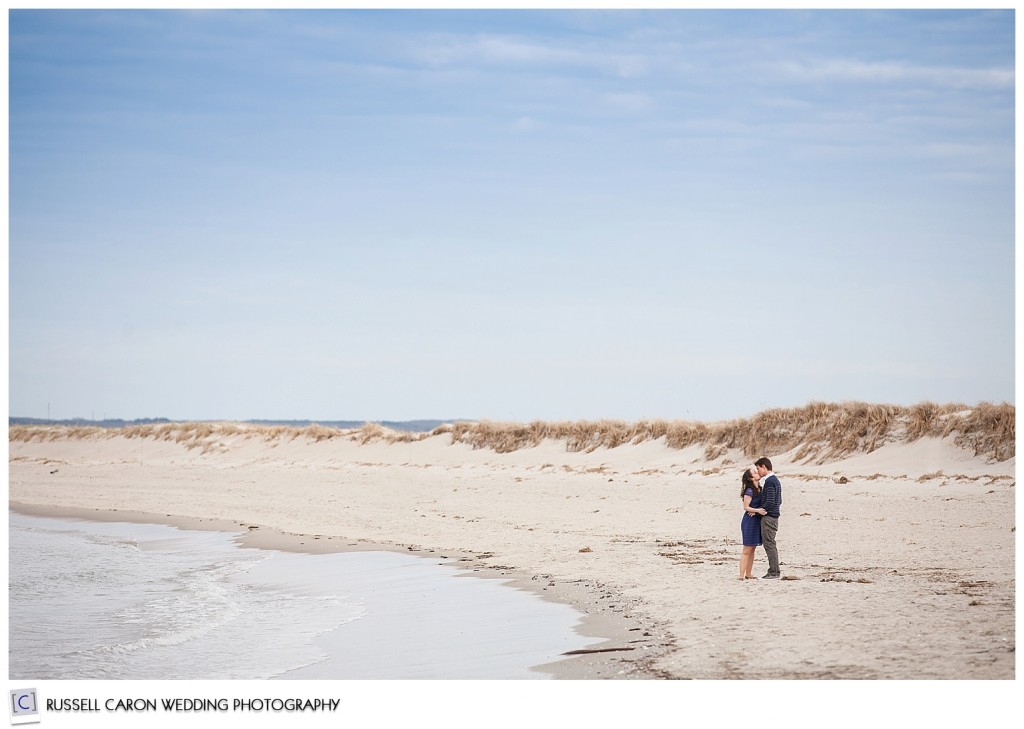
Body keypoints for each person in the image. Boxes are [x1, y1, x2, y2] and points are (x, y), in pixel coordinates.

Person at [755, 457, 783, 579]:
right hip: (773, 516)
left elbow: (771, 501)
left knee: (769, 544)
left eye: (758, 468)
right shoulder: (775, 480)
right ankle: (774, 571)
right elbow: (779, 501)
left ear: (764, 467)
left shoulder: (770, 481)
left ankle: (774, 571)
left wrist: (759, 511)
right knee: (770, 543)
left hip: (769, 517)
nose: (757, 471)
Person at [739, 467, 766, 579]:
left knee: (753, 548)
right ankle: (741, 575)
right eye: (754, 473)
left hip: (756, 520)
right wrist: (756, 510)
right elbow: (746, 507)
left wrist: (756, 512)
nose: (757, 473)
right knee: (746, 549)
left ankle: (749, 574)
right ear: (750, 478)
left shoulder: (759, 488)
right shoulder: (749, 490)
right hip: (749, 521)